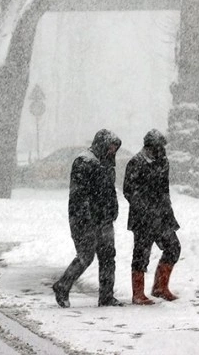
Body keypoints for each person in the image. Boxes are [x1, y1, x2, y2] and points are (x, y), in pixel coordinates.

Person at [52, 129, 125, 308]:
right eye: (110, 147)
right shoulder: (84, 162)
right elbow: (79, 195)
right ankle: (62, 285)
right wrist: (85, 218)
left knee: (108, 256)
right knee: (86, 255)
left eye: (115, 148)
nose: (113, 151)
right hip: (85, 220)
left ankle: (106, 296)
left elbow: (109, 191)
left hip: (104, 219)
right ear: (102, 144)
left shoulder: (107, 164)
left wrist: (113, 209)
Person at [123, 129, 181, 305]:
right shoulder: (136, 163)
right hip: (143, 219)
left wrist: (167, 212)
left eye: (162, 146)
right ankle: (138, 294)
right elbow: (129, 191)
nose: (161, 150)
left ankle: (160, 287)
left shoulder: (163, 161)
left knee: (173, 247)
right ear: (149, 146)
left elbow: (164, 189)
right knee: (141, 254)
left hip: (162, 216)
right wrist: (145, 209)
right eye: (158, 147)